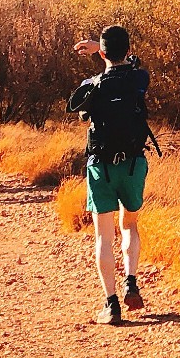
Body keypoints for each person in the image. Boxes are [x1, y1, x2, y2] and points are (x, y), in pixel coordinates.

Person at [67, 24, 157, 325]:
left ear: (102, 52)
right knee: (129, 223)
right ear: (128, 50)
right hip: (133, 164)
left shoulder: (91, 84)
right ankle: (132, 281)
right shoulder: (138, 79)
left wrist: (98, 55)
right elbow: (135, 66)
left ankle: (111, 303)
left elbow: (80, 111)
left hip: (101, 165)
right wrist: (105, 50)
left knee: (103, 236)